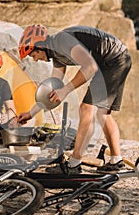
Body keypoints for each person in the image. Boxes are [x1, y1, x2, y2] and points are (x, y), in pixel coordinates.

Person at [17, 24, 132, 173]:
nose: (35, 60)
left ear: (40, 47)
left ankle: (74, 164)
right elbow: (51, 90)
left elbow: (90, 67)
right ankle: (116, 160)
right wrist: (30, 113)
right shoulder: (57, 56)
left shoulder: (61, 40)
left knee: (86, 108)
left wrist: (65, 90)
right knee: (102, 113)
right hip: (114, 60)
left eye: (33, 55)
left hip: (114, 59)